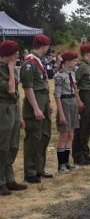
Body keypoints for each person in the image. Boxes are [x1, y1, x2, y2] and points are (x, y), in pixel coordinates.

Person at [21, 34, 53, 184]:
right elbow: (28, 88)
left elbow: (44, 85)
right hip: (35, 102)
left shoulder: (39, 61)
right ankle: (30, 171)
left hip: (43, 99)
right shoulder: (29, 62)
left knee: (44, 135)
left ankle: (40, 168)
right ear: (44, 46)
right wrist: (35, 108)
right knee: (34, 137)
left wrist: (48, 104)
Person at [0, 40, 27, 195]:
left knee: (13, 145)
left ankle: (9, 179)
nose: (18, 55)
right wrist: (10, 70)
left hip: (13, 108)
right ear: (9, 55)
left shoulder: (11, 69)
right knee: (2, 146)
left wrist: (20, 116)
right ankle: (1, 181)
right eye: (15, 53)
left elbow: (16, 94)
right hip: (3, 109)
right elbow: (10, 89)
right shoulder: (4, 70)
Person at [73, 44, 90, 166]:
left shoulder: (89, 66)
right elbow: (73, 84)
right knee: (82, 127)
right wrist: (78, 100)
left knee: (89, 126)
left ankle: (85, 153)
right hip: (85, 95)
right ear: (88, 53)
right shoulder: (81, 67)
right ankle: (78, 155)